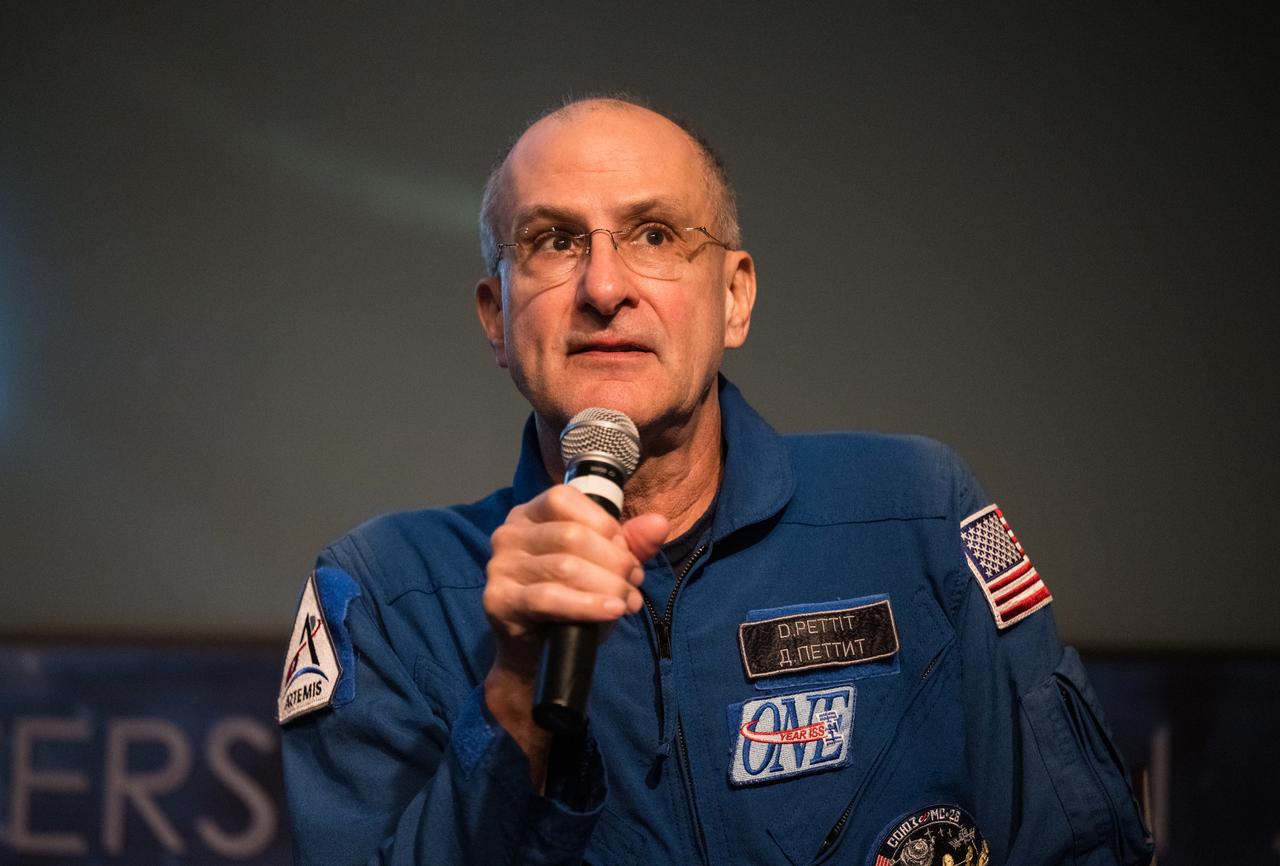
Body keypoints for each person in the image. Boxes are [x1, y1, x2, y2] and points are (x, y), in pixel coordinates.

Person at [279, 96, 1153, 865]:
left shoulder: (914, 511)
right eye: (553, 242)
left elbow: (1083, 848)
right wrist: (513, 693)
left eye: (655, 234)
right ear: (497, 319)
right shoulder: (388, 596)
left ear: (735, 296)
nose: (605, 286)